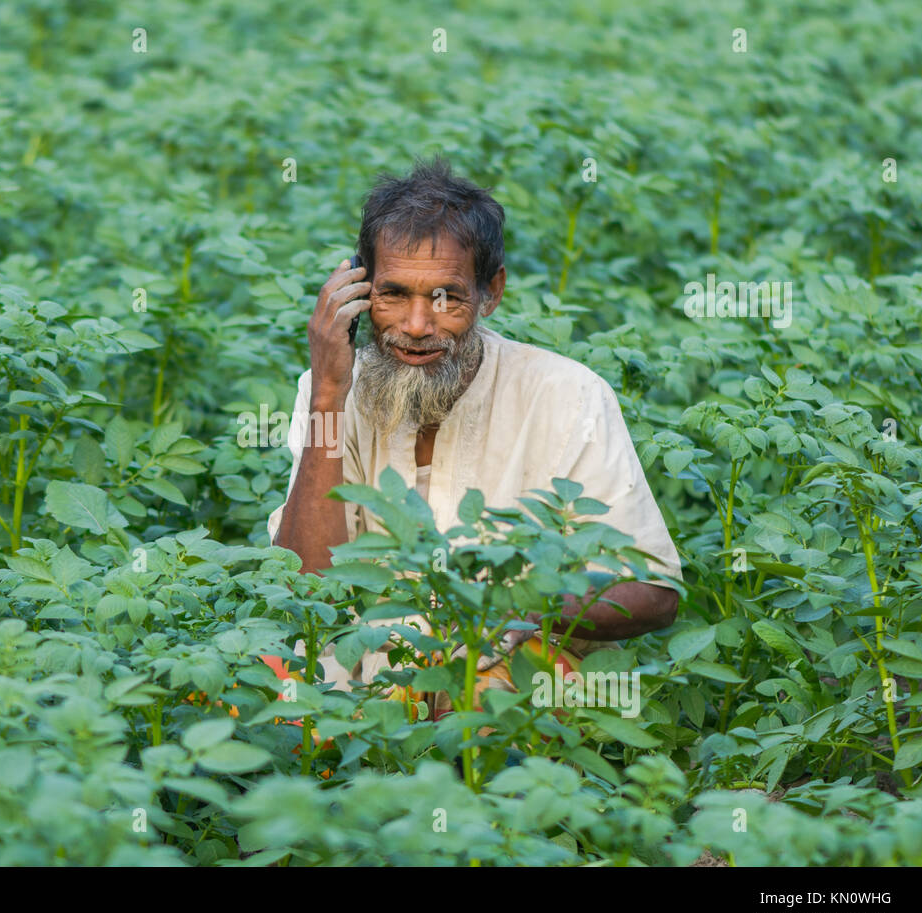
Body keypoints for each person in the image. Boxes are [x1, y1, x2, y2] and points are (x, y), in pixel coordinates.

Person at [266, 156, 681, 710]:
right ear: (360, 292)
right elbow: (307, 588)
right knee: (251, 693)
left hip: (503, 667)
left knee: (483, 700)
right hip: (355, 677)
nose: (416, 326)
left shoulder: (567, 394)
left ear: (491, 293)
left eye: (446, 298)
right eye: (393, 295)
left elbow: (653, 595)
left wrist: (521, 608)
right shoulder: (329, 389)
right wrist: (326, 398)